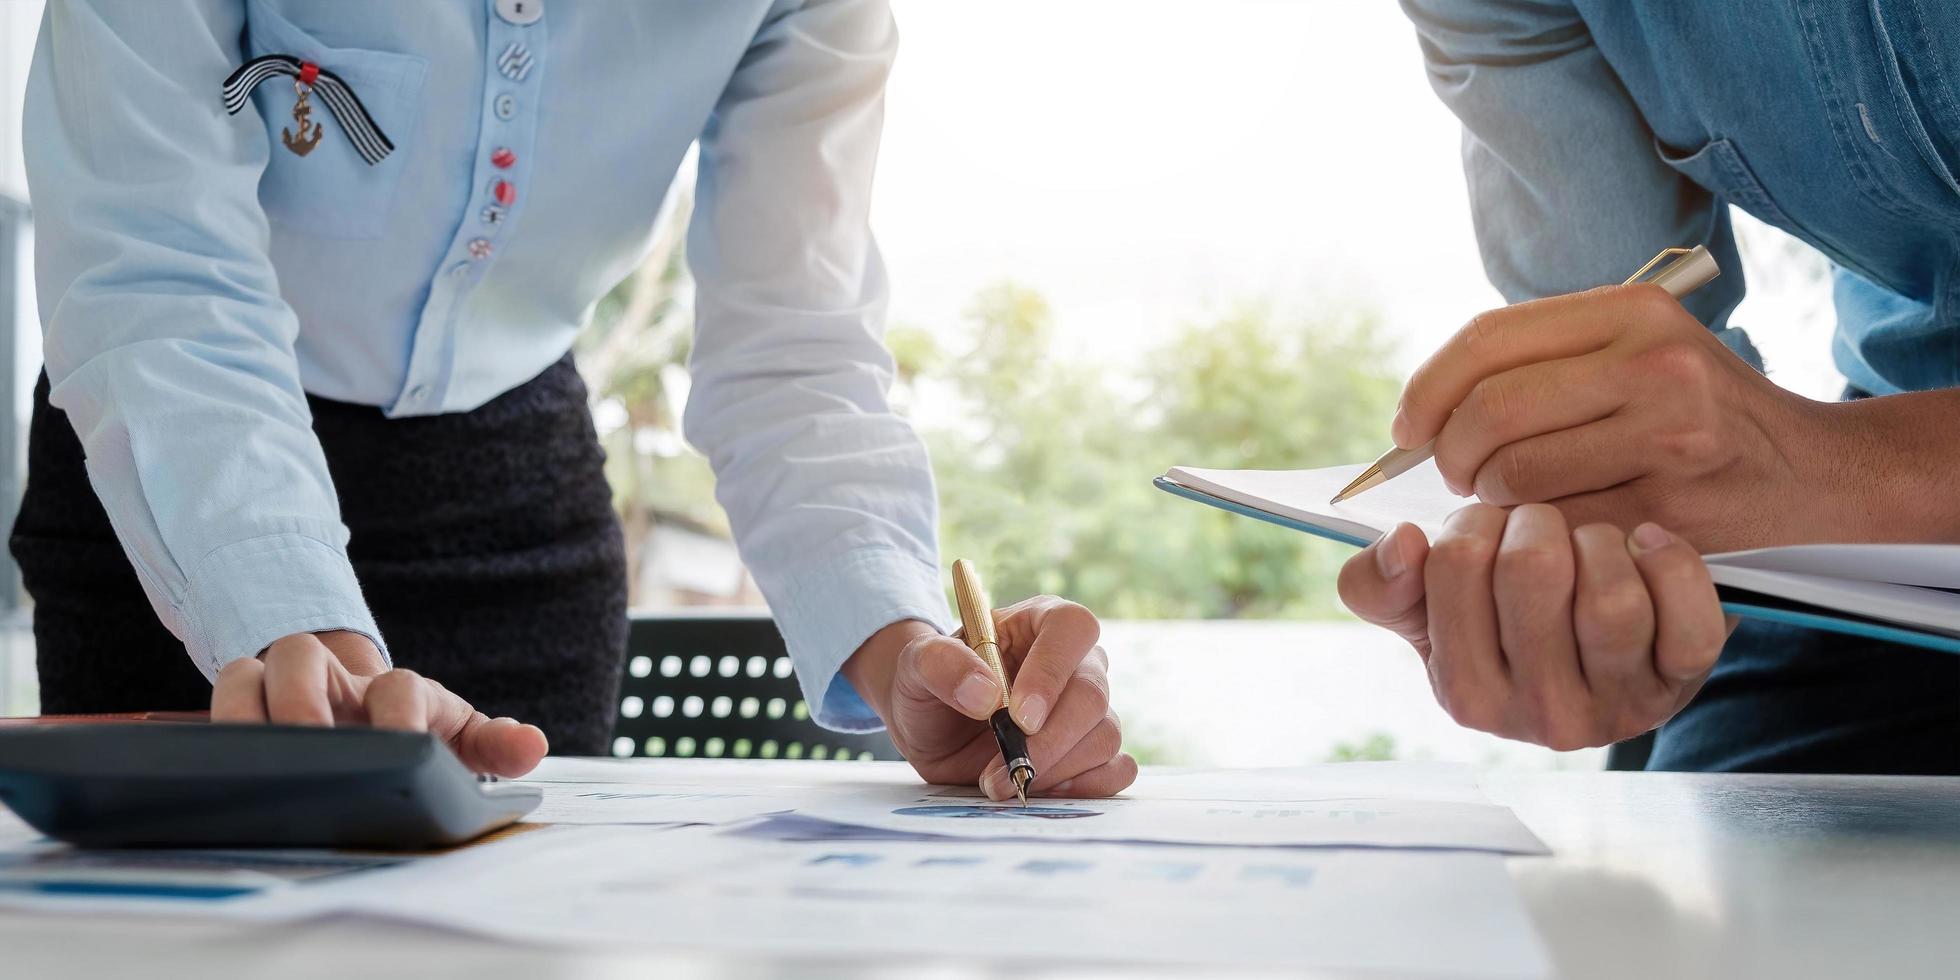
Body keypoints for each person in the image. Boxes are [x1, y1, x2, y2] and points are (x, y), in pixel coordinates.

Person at [20, 0, 1135, 800]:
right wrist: (286, 619)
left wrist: (910, 658)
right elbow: (155, 271)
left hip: (514, 492)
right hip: (167, 479)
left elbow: (793, 337)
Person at [1338, 1, 1960, 773]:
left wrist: (1837, 473)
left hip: (1882, 488)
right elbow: (1633, 442)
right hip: (1896, 540)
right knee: (1689, 847)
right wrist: (1629, 596)